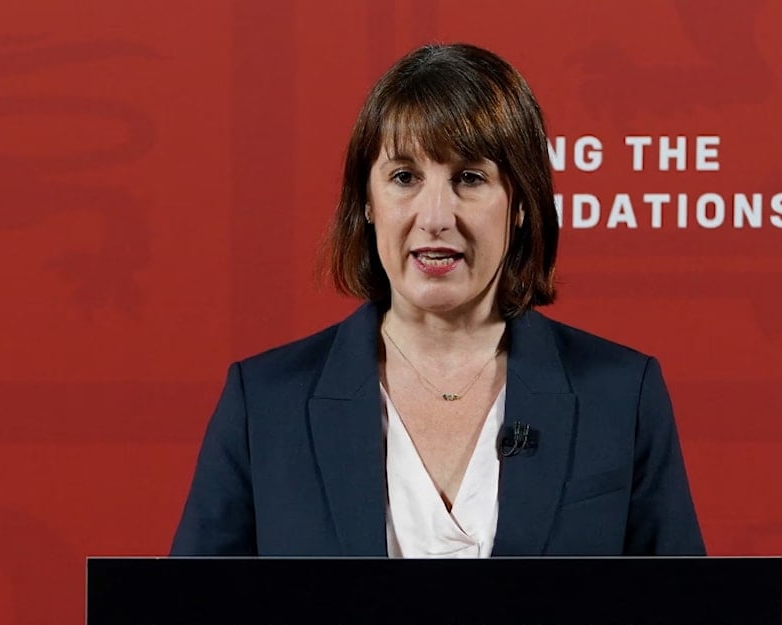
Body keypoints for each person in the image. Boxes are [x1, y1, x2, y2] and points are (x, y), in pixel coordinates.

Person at [171, 43, 704, 557]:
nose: (435, 218)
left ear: (520, 203)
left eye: (469, 178)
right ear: (368, 202)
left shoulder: (620, 394)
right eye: (404, 177)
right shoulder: (264, 403)